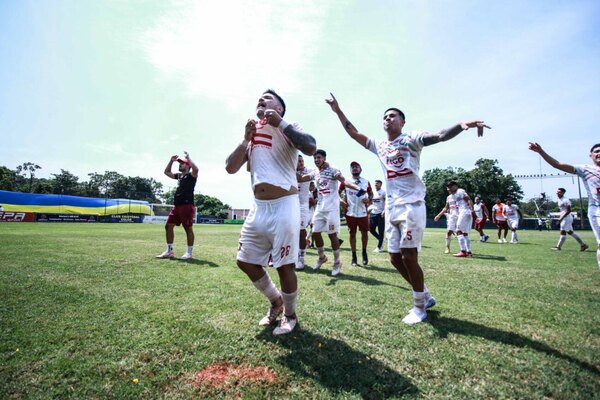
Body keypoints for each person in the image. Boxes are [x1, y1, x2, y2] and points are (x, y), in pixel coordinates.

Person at [326, 92, 490, 324]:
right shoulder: (379, 145)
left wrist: (462, 125)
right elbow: (353, 132)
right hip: (392, 208)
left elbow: (441, 135)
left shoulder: (412, 139)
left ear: (402, 122)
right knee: (394, 259)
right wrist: (337, 111)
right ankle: (426, 295)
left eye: (392, 116)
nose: (387, 119)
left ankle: (419, 307)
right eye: (384, 117)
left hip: (411, 205)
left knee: (409, 256)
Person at [225, 89, 317, 335]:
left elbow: (310, 146)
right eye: (259, 98)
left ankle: (290, 315)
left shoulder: (288, 127)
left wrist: (281, 123)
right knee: (245, 261)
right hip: (259, 207)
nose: (261, 99)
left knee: (284, 265)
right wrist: (245, 139)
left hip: (284, 204)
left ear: (280, 108)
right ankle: (276, 301)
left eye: (268, 97)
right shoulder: (253, 132)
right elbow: (230, 168)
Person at [529, 142, 599, 267]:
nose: (599, 153)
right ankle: (573, 245)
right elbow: (557, 165)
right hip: (597, 211)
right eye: (597, 151)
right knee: (568, 232)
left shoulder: (565, 200)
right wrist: (541, 152)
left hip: (567, 217)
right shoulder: (585, 169)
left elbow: (568, 209)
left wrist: (561, 217)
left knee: (566, 231)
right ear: (591, 155)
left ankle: (577, 245)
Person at [299, 149, 359, 276]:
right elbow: (301, 178)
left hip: (332, 208)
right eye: (315, 158)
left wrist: (356, 187)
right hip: (320, 208)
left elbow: (344, 180)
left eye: (319, 158)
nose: (316, 160)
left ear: (324, 158)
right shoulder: (315, 172)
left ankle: (337, 262)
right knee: (315, 233)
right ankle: (322, 257)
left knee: (332, 235)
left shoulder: (333, 170)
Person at [156, 152, 199, 260]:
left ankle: (189, 253)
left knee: (188, 228)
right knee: (168, 226)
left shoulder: (191, 175)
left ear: (188, 166)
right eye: (180, 163)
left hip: (187, 205)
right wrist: (171, 161)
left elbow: (196, 170)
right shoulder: (180, 176)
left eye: (183, 163)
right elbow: (166, 172)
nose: (180, 165)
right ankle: (169, 251)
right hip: (177, 206)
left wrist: (189, 158)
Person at [340, 161, 373, 266]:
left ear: (360, 169)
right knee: (352, 234)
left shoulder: (366, 181)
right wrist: (341, 201)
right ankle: (354, 256)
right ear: (350, 170)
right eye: (352, 167)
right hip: (350, 212)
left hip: (363, 211)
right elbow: (337, 193)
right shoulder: (346, 181)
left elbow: (371, 194)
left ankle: (364, 252)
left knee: (364, 233)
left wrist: (369, 199)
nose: (354, 168)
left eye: (356, 167)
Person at [446, 182, 474, 257]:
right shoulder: (454, 195)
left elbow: (468, 200)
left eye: (450, 187)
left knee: (458, 230)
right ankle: (469, 252)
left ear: (455, 186)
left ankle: (463, 251)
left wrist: (472, 210)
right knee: (465, 233)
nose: (449, 189)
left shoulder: (460, 191)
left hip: (465, 211)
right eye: (448, 188)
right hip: (465, 212)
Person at [296, 155, 313, 270]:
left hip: (302, 206)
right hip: (290, 204)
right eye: (298, 161)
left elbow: (302, 178)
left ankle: (301, 257)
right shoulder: (288, 169)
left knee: (302, 231)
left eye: (302, 161)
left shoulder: (310, 171)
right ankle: (293, 256)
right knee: (289, 231)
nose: (301, 163)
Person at [433, 187, 459, 254]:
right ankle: (447, 247)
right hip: (452, 216)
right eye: (447, 188)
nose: (448, 189)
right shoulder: (448, 197)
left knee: (461, 232)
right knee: (449, 232)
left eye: (449, 188)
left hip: (460, 216)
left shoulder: (460, 195)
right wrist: (439, 215)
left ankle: (464, 249)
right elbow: (446, 207)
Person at [369, 179, 386, 252]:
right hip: (373, 213)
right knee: (371, 229)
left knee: (381, 231)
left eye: (377, 183)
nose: (376, 184)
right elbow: (370, 202)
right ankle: (381, 240)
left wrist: (384, 211)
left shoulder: (383, 192)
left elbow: (386, 202)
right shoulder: (372, 193)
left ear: (381, 185)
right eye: (375, 183)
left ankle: (379, 247)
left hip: (380, 214)